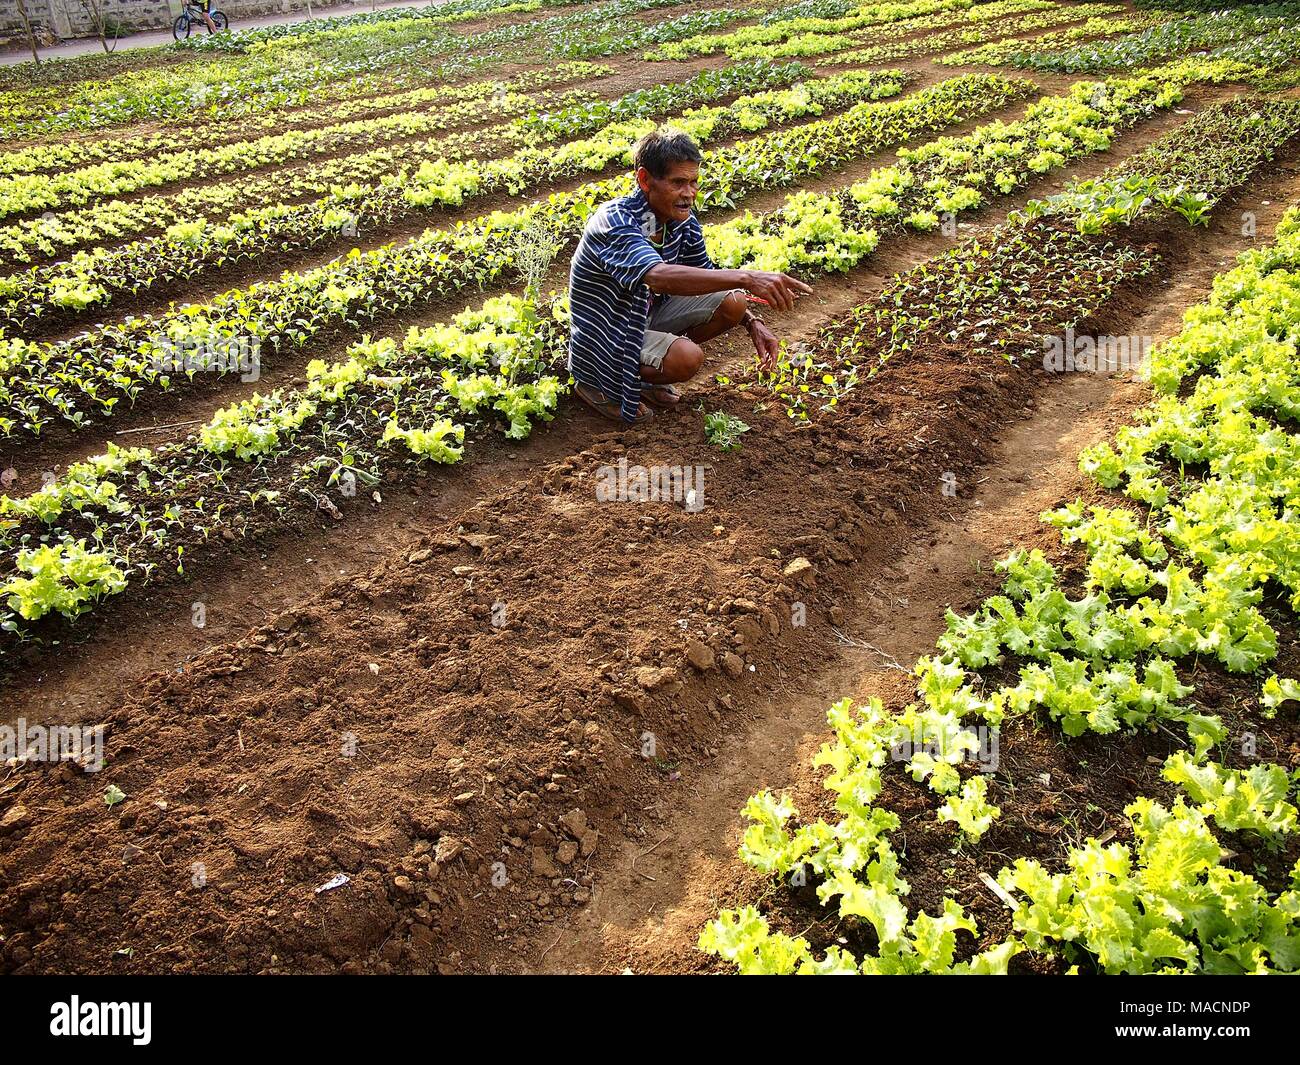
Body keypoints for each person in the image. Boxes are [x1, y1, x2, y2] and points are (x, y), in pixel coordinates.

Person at [568, 128, 812, 423]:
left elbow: (705, 278)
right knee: (687, 357)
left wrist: (752, 322)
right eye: (678, 182)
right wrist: (747, 277)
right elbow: (657, 276)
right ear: (645, 180)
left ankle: (647, 376)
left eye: (694, 182)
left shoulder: (680, 220)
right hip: (608, 333)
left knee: (732, 302)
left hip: (644, 316)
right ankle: (598, 384)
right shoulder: (615, 221)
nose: (690, 193)